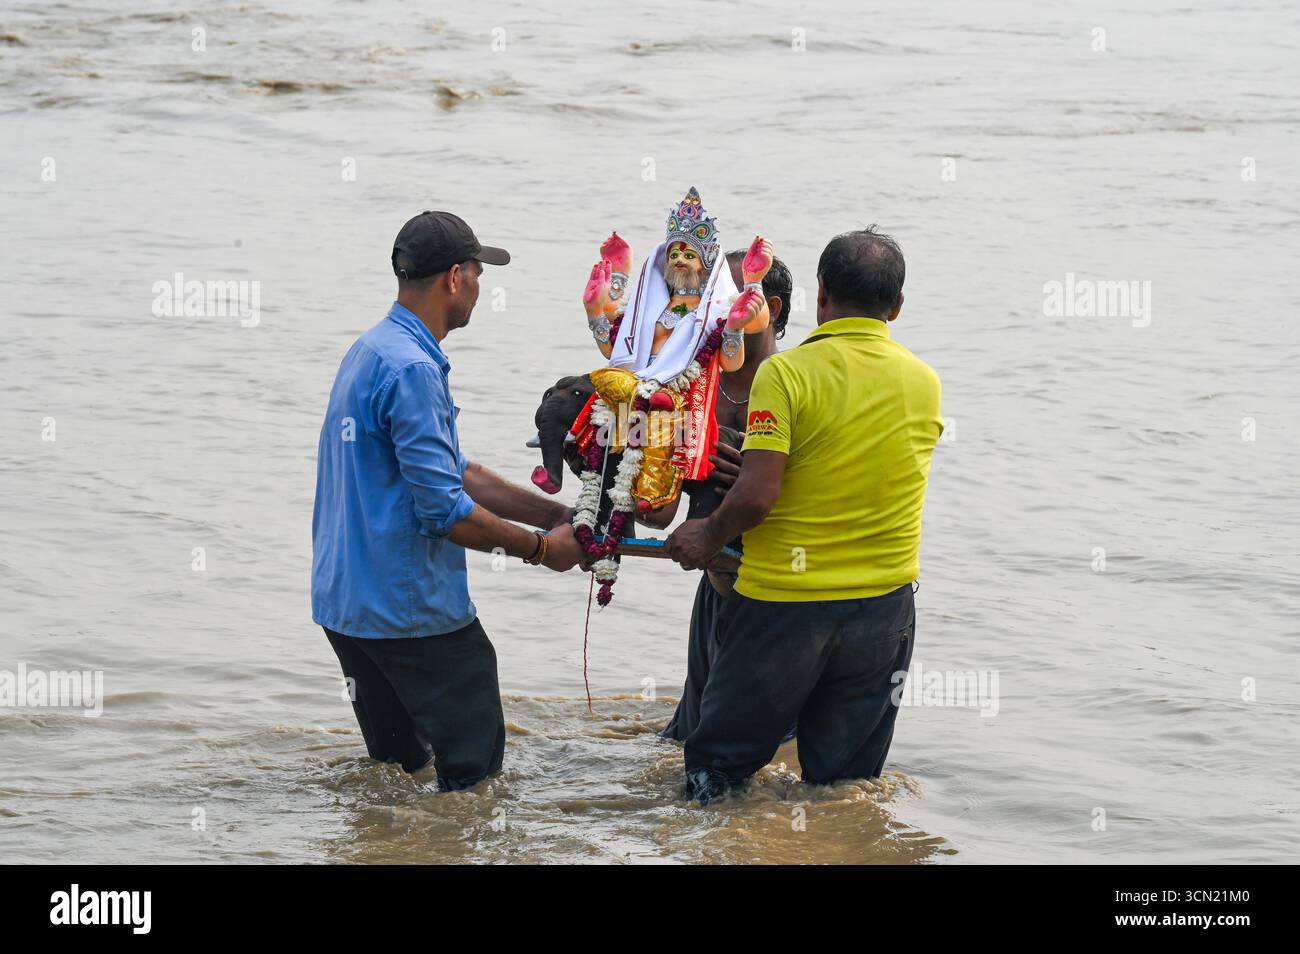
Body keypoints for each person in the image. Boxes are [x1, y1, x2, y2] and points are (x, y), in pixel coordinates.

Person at [665, 227, 943, 803]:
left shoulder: (786, 375)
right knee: (845, 788)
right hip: (885, 610)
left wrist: (706, 533)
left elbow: (756, 496)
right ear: (896, 306)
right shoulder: (925, 381)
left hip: (783, 608)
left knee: (714, 775)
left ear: (820, 296)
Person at [312, 210, 583, 790]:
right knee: (474, 779)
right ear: (455, 279)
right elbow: (442, 509)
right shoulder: (413, 369)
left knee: (398, 772)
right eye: (479, 275)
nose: (480, 290)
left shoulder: (372, 349)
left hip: (347, 606)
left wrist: (553, 513)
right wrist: (541, 550)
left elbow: (450, 472)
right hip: (410, 613)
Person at [644, 248, 793, 741]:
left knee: (763, 745)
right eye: (708, 299)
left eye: (725, 298)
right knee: (692, 741)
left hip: (781, 595)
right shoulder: (690, 387)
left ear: (768, 306)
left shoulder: (796, 387)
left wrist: (756, 471)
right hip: (714, 587)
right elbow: (658, 515)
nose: (710, 312)